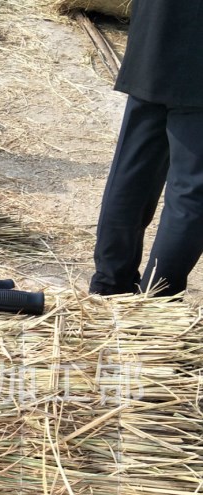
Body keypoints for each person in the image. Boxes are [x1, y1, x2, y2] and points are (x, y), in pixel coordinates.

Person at [89, 0, 203, 296]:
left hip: (156, 32)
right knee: (191, 190)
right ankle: (156, 298)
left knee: (133, 168)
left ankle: (110, 284)